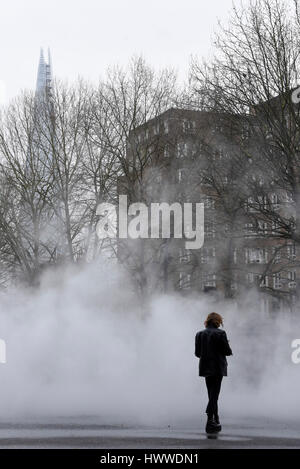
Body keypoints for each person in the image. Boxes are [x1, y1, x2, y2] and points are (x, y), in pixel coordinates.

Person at [195, 312, 232, 433]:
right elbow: (227, 351)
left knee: (211, 393)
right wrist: (228, 345)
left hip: (205, 367)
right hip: (217, 367)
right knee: (214, 394)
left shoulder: (199, 334)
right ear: (218, 321)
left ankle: (215, 419)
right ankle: (210, 420)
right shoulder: (221, 333)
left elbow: (197, 353)